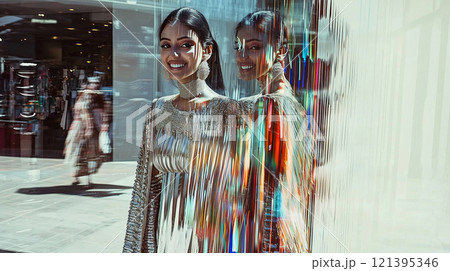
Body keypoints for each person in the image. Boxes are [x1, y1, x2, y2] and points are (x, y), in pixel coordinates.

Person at [123, 7, 241, 253]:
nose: (173, 53)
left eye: (185, 44)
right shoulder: (158, 109)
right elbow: (144, 188)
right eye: (166, 45)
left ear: (207, 51)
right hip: (163, 237)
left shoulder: (226, 110)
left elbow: (236, 192)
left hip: (206, 240)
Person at [234, 10, 314, 252]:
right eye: (238, 46)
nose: (242, 56)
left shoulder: (271, 104)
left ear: (281, 51)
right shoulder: (285, 98)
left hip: (269, 238)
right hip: (283, 232)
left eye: (255, 47)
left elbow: (270, 188)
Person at [64, 76, 110, 187]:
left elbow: (99, 114)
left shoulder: (98, 98)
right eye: (91, 84)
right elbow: (78, 113)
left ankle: (88, 178)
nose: (93, 86)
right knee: (78, 152)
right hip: (79, 128)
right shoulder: (83, 96)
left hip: (89, 129)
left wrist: (100, 126)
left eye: (95, 84)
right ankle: (77, 176)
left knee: (90, 153)